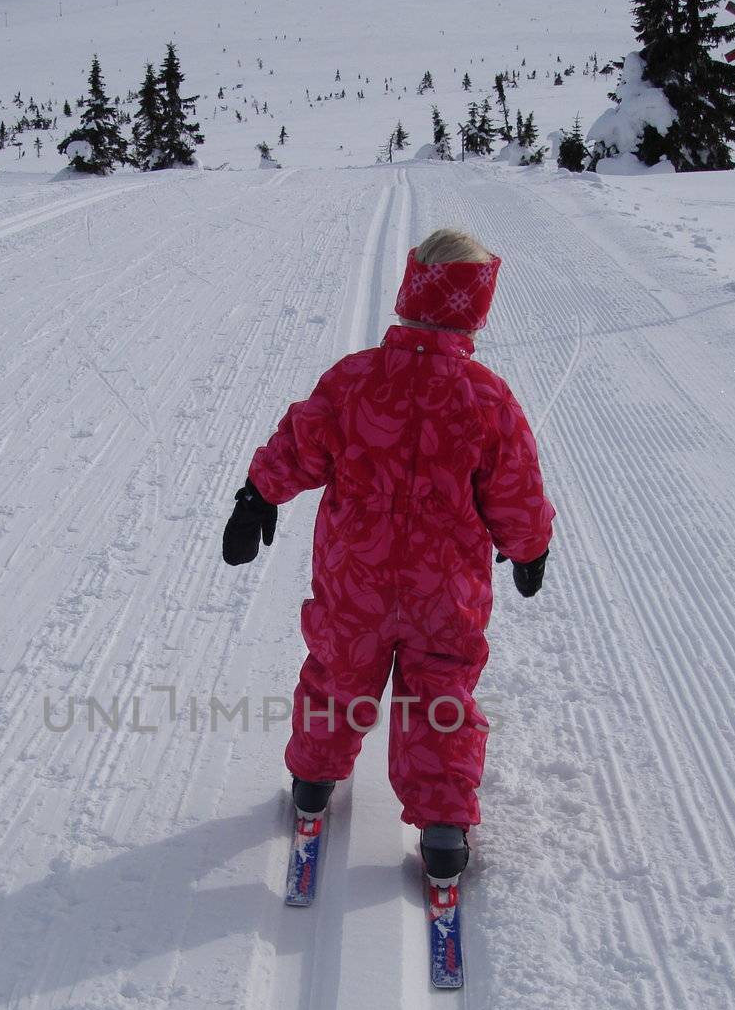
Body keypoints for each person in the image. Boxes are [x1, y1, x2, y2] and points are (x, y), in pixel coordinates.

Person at [222, 227, 555, 880]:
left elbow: (300, 442)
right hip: (445, 593)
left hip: (356, 581)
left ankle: (313, 783)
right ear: (475, 310)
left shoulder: (354, 381)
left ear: (407, 295)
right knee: (440, 696)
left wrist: (258, 494)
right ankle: (442, 829)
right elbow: (515, 488)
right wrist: (528, 547)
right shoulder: (487, 398)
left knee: (337, 674)